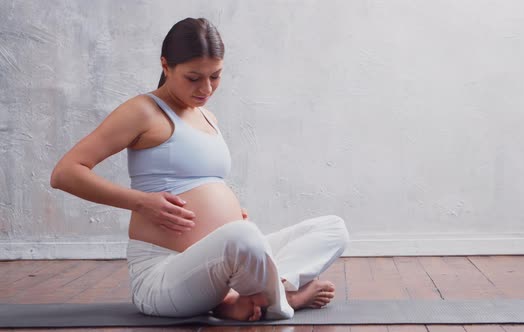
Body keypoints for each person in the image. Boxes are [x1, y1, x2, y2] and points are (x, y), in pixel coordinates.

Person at [50, 17, 349, 321]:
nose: (206, 88)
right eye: (193, 78)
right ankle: (284, 300)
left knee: (331, 228)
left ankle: (261, 293)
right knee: (242, 237)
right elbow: (65, 172)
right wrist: (141, 202)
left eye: (215, 76)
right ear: (166, 66)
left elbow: (202, 187)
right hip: (163, 275)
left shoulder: (207, 117)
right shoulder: (142, 111)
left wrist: (229, 214)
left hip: (219, 265)